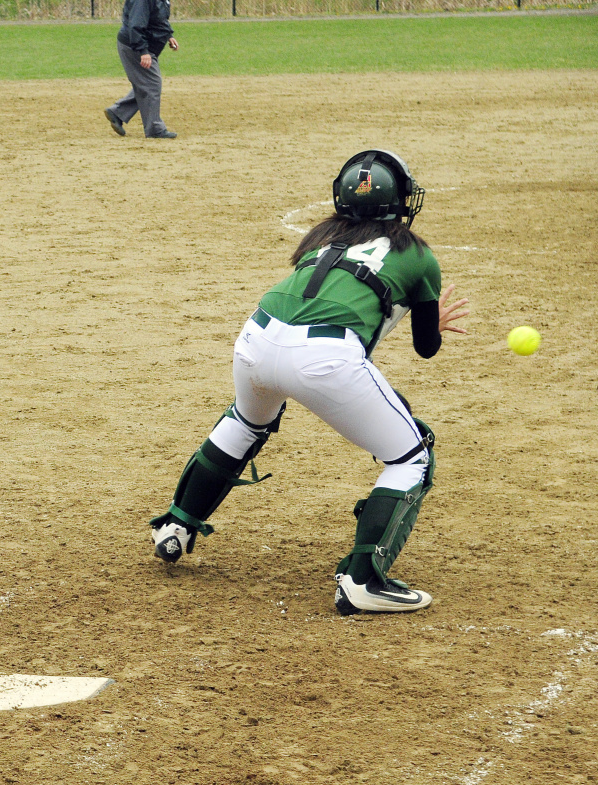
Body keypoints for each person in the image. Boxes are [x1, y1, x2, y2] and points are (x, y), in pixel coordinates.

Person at [148, 150, 470, 615]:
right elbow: (426, 347)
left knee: (245, 422)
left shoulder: (321, 238)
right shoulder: (417, 254)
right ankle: (363, 581)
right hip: (325, 359)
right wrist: (431, 321)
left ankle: (176, 526)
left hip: (256, 338)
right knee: (412, 456)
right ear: (400, 200)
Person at [104, 0, 179, 139]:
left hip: (145, 45)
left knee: (145, 83)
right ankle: (155, 129)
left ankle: (118, 112)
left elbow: (158, 18)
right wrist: (143, 51)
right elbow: (136, 24)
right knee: (152, 83)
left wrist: (168, 35)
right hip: (134, 46)